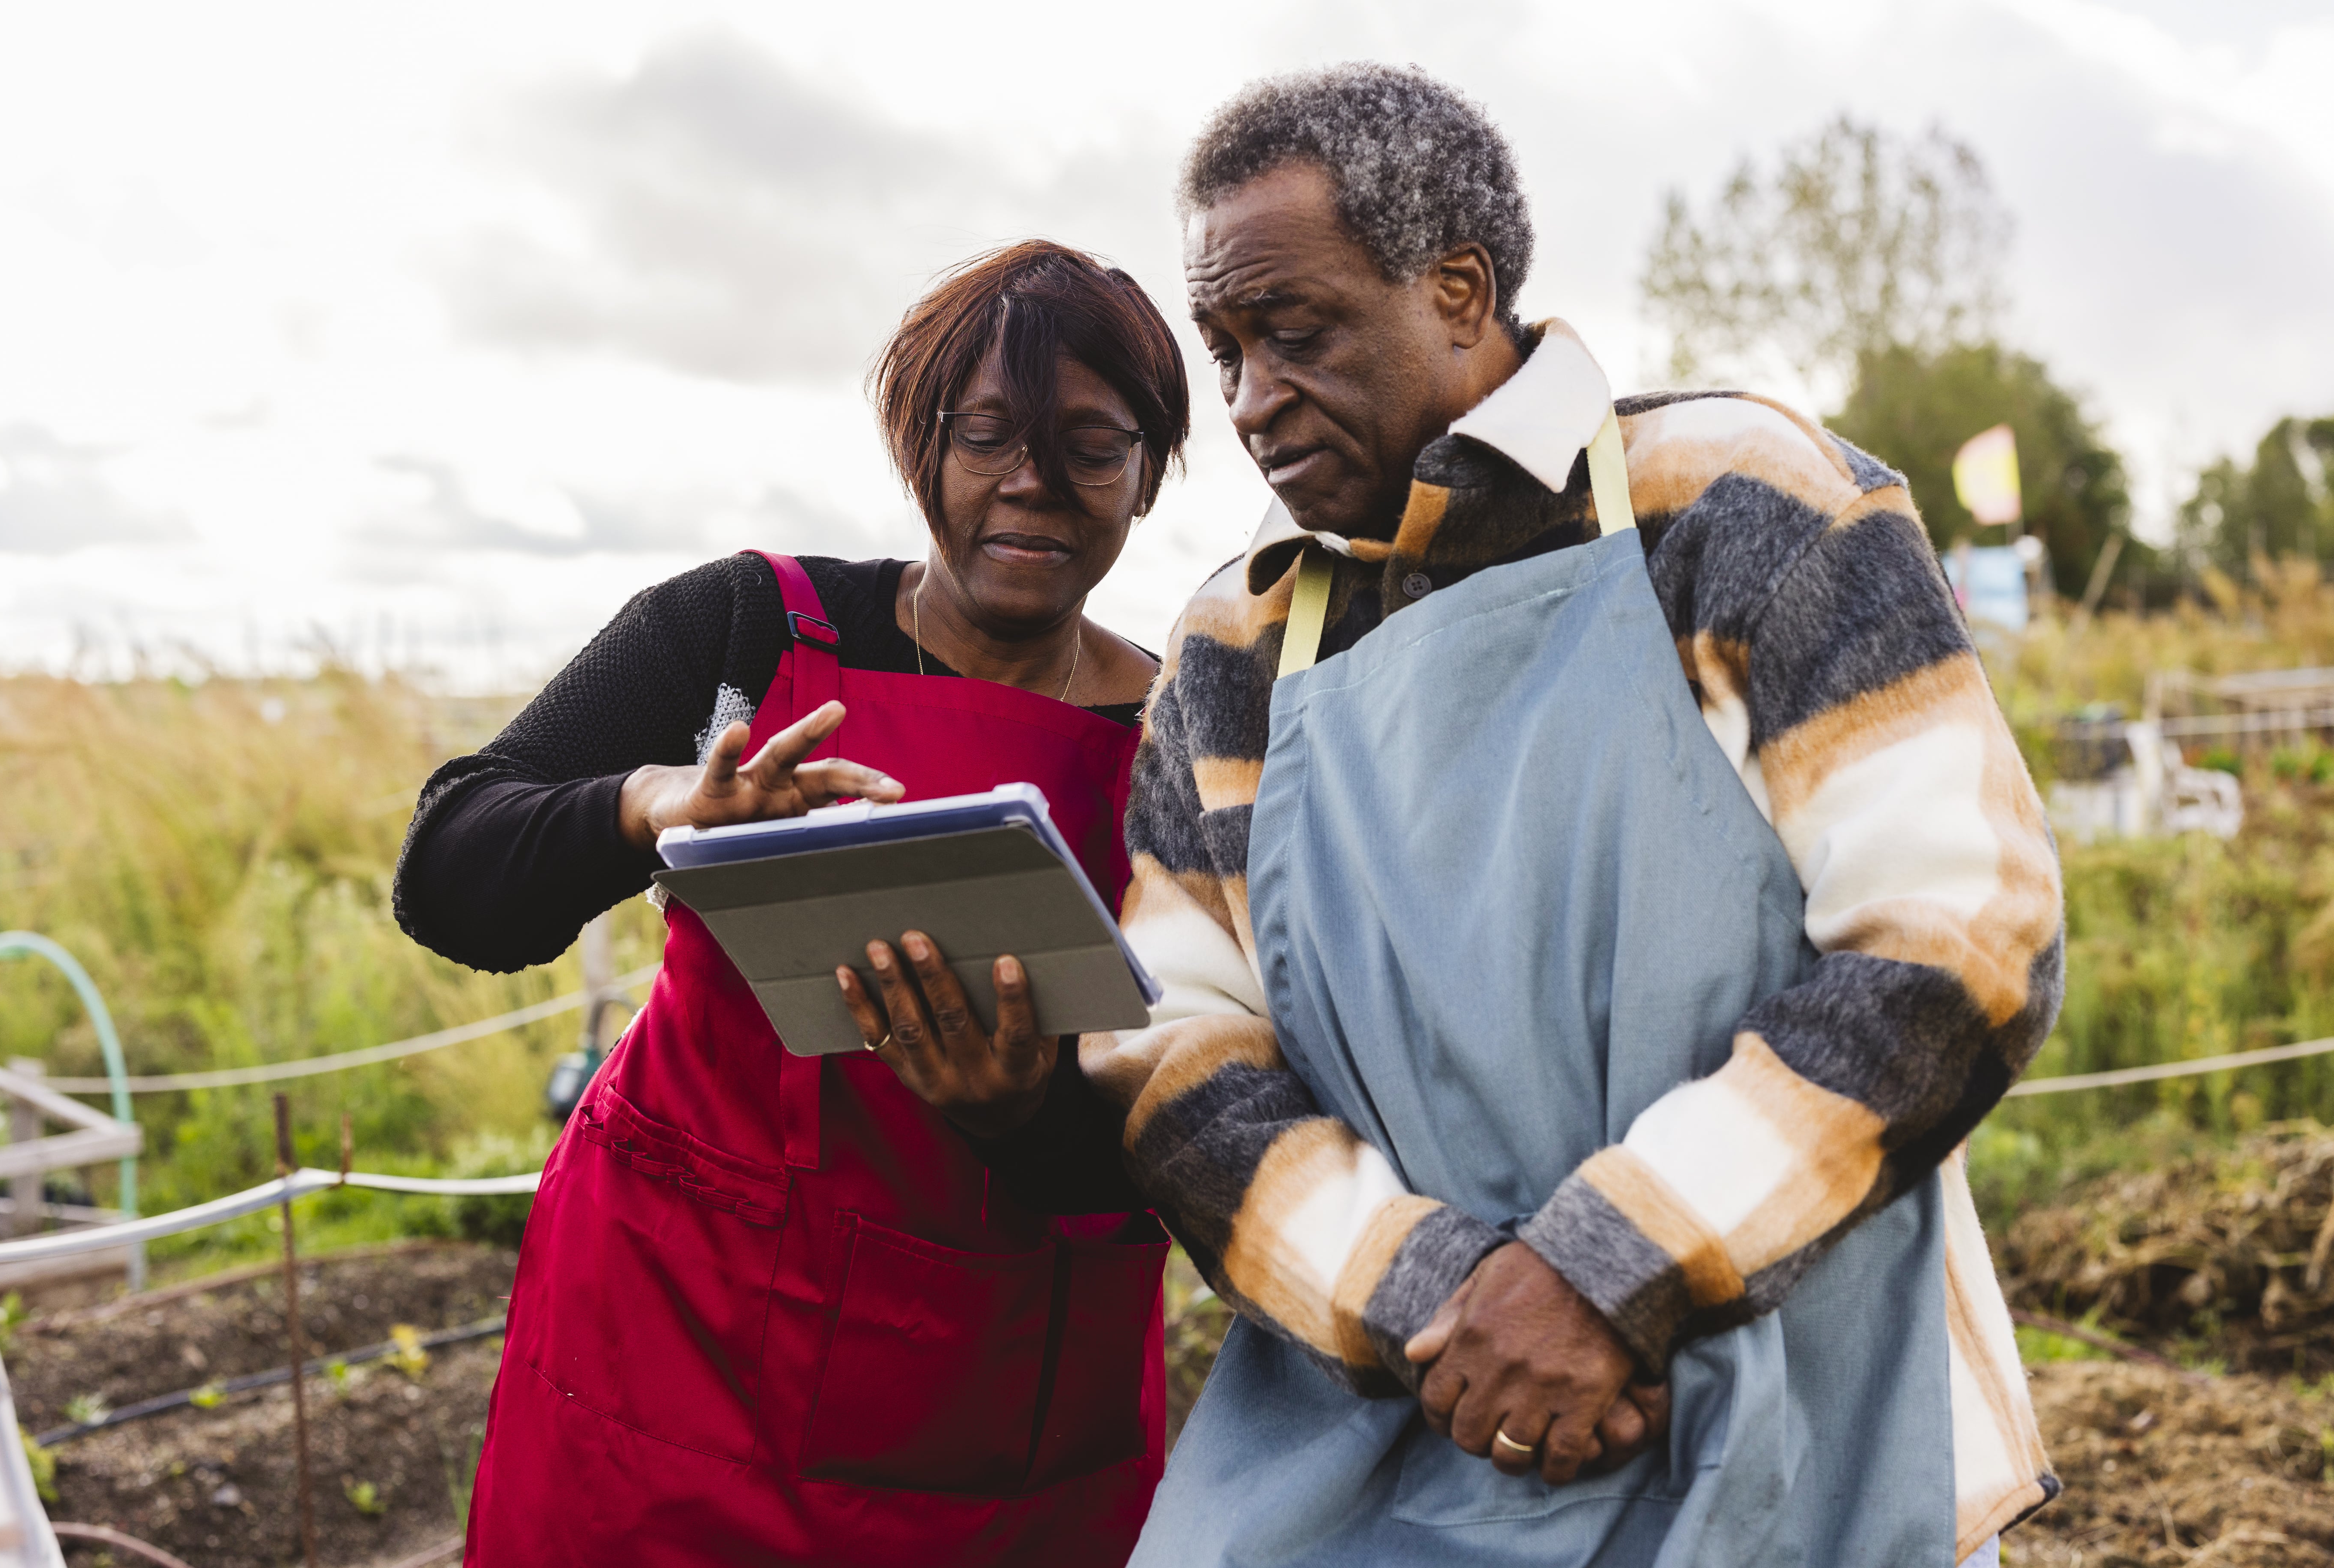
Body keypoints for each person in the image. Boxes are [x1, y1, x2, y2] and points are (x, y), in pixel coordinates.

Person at [880, 67, 2062, 1567]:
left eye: (1293, 336)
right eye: (1225, 350)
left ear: (1456, 290)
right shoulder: (1235, 650)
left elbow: (1961, 934)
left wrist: (1604, 1270)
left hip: (1803, 1423)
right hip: (1388, 1433)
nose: (1246, 404)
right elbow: (1177, 1048)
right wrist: (1439, 1297)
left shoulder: (1736, 503)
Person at [391, 239, 1190, 1567]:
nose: (1033, 484)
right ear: (918, 445)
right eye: (986, 433)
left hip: (1004, 1414)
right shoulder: (746, 635)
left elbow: (1199, 1113)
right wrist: (647, 806)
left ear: (1148, 477)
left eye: (1092, 447)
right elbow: (450, 881)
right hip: (674, 1352)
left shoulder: (1184, 735)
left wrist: (1026, 1116)